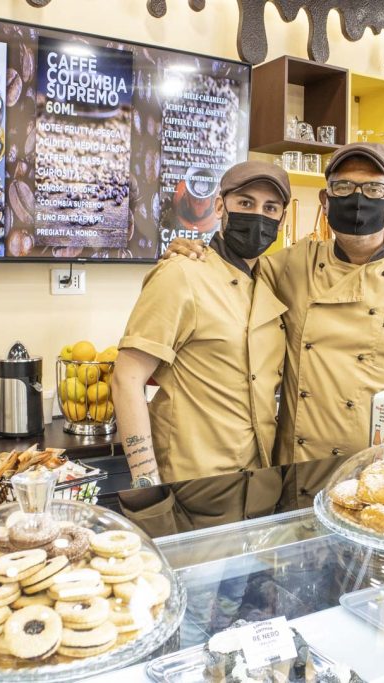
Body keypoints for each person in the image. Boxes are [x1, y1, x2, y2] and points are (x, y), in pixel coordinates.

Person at [165, 142, 384, 462]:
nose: (357, 199)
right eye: (343, 187)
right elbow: (229, 269)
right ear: (325, 201)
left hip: (380, 480)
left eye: (374, 188)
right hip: (296, 477)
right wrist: (192, 250)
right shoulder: (292, 266)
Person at [111, 161, 291, 486]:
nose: (258, 216)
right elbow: (127, 378)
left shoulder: (273, 280)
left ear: (282, 219)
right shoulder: (181, 273)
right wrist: (146, 482)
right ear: (220, 205)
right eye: (246, 203)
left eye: (270, 208)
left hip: (260, 481)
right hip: (191, 483)